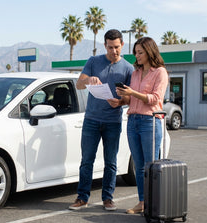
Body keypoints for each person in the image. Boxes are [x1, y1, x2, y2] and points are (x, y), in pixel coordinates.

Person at [69, 29, 134, 211]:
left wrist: (120, 101)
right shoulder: (93, 61)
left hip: (113, 121)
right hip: (91, 120)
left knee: (111, 162)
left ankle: (108, 198)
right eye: (110, 47)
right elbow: (79, 84)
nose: (114, 51)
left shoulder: (128, 69)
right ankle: (82, 198)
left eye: (117, 47)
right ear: (104, 45)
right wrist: (89, 79)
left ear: (122, 45)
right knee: (86, 161)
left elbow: (130, 99)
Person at [109, 37, 168, 214]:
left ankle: (154, 204)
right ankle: (143, 203)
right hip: (133, 121)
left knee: (151, 166)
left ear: (150, 52)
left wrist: (133, 92)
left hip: (150, 122)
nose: (137, 55)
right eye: (136, 52)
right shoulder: (135, 73)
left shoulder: (160, 73)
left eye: (140, 52)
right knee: (140, 167)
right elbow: (131, 99)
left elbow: (155, 100)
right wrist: (121, 100)